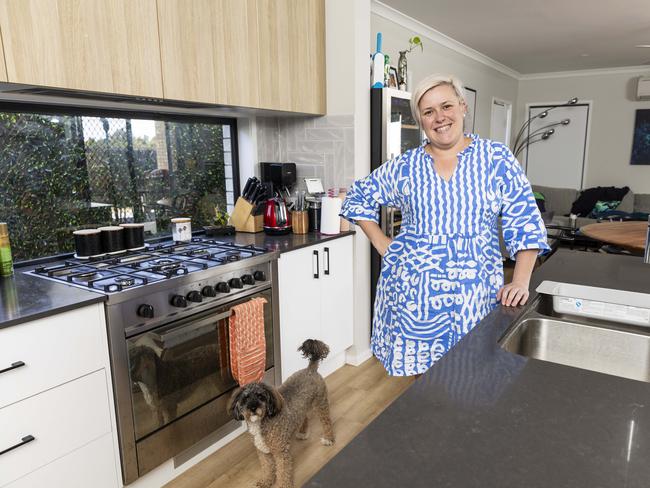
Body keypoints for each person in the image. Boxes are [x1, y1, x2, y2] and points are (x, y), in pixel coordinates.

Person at [340, 74, 550, 376]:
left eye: (446, 106)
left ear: (462, 107)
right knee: (423, 384)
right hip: (414, 295)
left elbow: (526, 220)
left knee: (472, 377)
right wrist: (382, 243)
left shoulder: (496, 159)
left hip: (475, 296)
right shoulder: (405, 166)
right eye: (428, 112)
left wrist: (520, 281)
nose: (439, 118)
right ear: (421, 121)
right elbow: (358, 196)